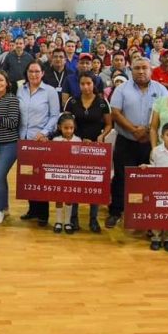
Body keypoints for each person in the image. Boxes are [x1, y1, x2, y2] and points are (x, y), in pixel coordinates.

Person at [106, 58, 168, 228]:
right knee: (121, 177)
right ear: (131, 70)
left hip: (151, 142)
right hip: (126, 140)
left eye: (144, 68)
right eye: (137, 68)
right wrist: (134, 130)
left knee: (148, 179)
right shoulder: (121, 89)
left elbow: (166, 113)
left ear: (151, 70)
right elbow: (116, 113)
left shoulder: (161, 89)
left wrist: (148, 131)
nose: (141, 71)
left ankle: (145, 213)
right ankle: (116, 211)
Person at [63, 72, 112, 232]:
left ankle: (93, 219)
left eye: (89, 83)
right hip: (75, 145)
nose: (85, 87)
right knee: (75, 183)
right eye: (82, 84)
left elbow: (108, 124)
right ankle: (73, 218)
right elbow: (65, 122)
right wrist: (74, 138)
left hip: (96, 148)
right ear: (79, 85)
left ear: (94, 84)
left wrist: (102, 135)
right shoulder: (72, 101)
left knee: (94, 183)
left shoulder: (102, 102)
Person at [18, 60, 60, 225]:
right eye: (30, 71)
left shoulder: (49, 91)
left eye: (37, 71)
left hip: (41, 140)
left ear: (42, 73)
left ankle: (43, 214)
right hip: (24, 139)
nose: (33, 75)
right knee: (27, 176)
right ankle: (32, 210)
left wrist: (44, 133)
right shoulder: (21, 90)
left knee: (40, 177)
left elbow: (54, 115)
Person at [140, 123, 168, 252]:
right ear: (162, 137)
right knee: (157, 213)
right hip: (158, 188)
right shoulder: (156, 151)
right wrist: (145, 167)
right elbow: (153, 168)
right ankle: (156, 237)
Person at [0, 70, 21, 225]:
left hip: (9, 144)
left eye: (1, 80)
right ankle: (3, 207)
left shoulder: (12, 99)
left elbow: (13, 122)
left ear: (7, 82)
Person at [51, 113, 82, 234]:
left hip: (72, 174)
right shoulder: (56, 140)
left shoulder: (78, 140)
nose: (69, 131)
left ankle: (68, 222)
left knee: (69, 198)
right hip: (59, 174)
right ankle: (58, 221)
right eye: (66, 128)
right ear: (59, 127)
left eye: (71, 128)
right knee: (58, 198)